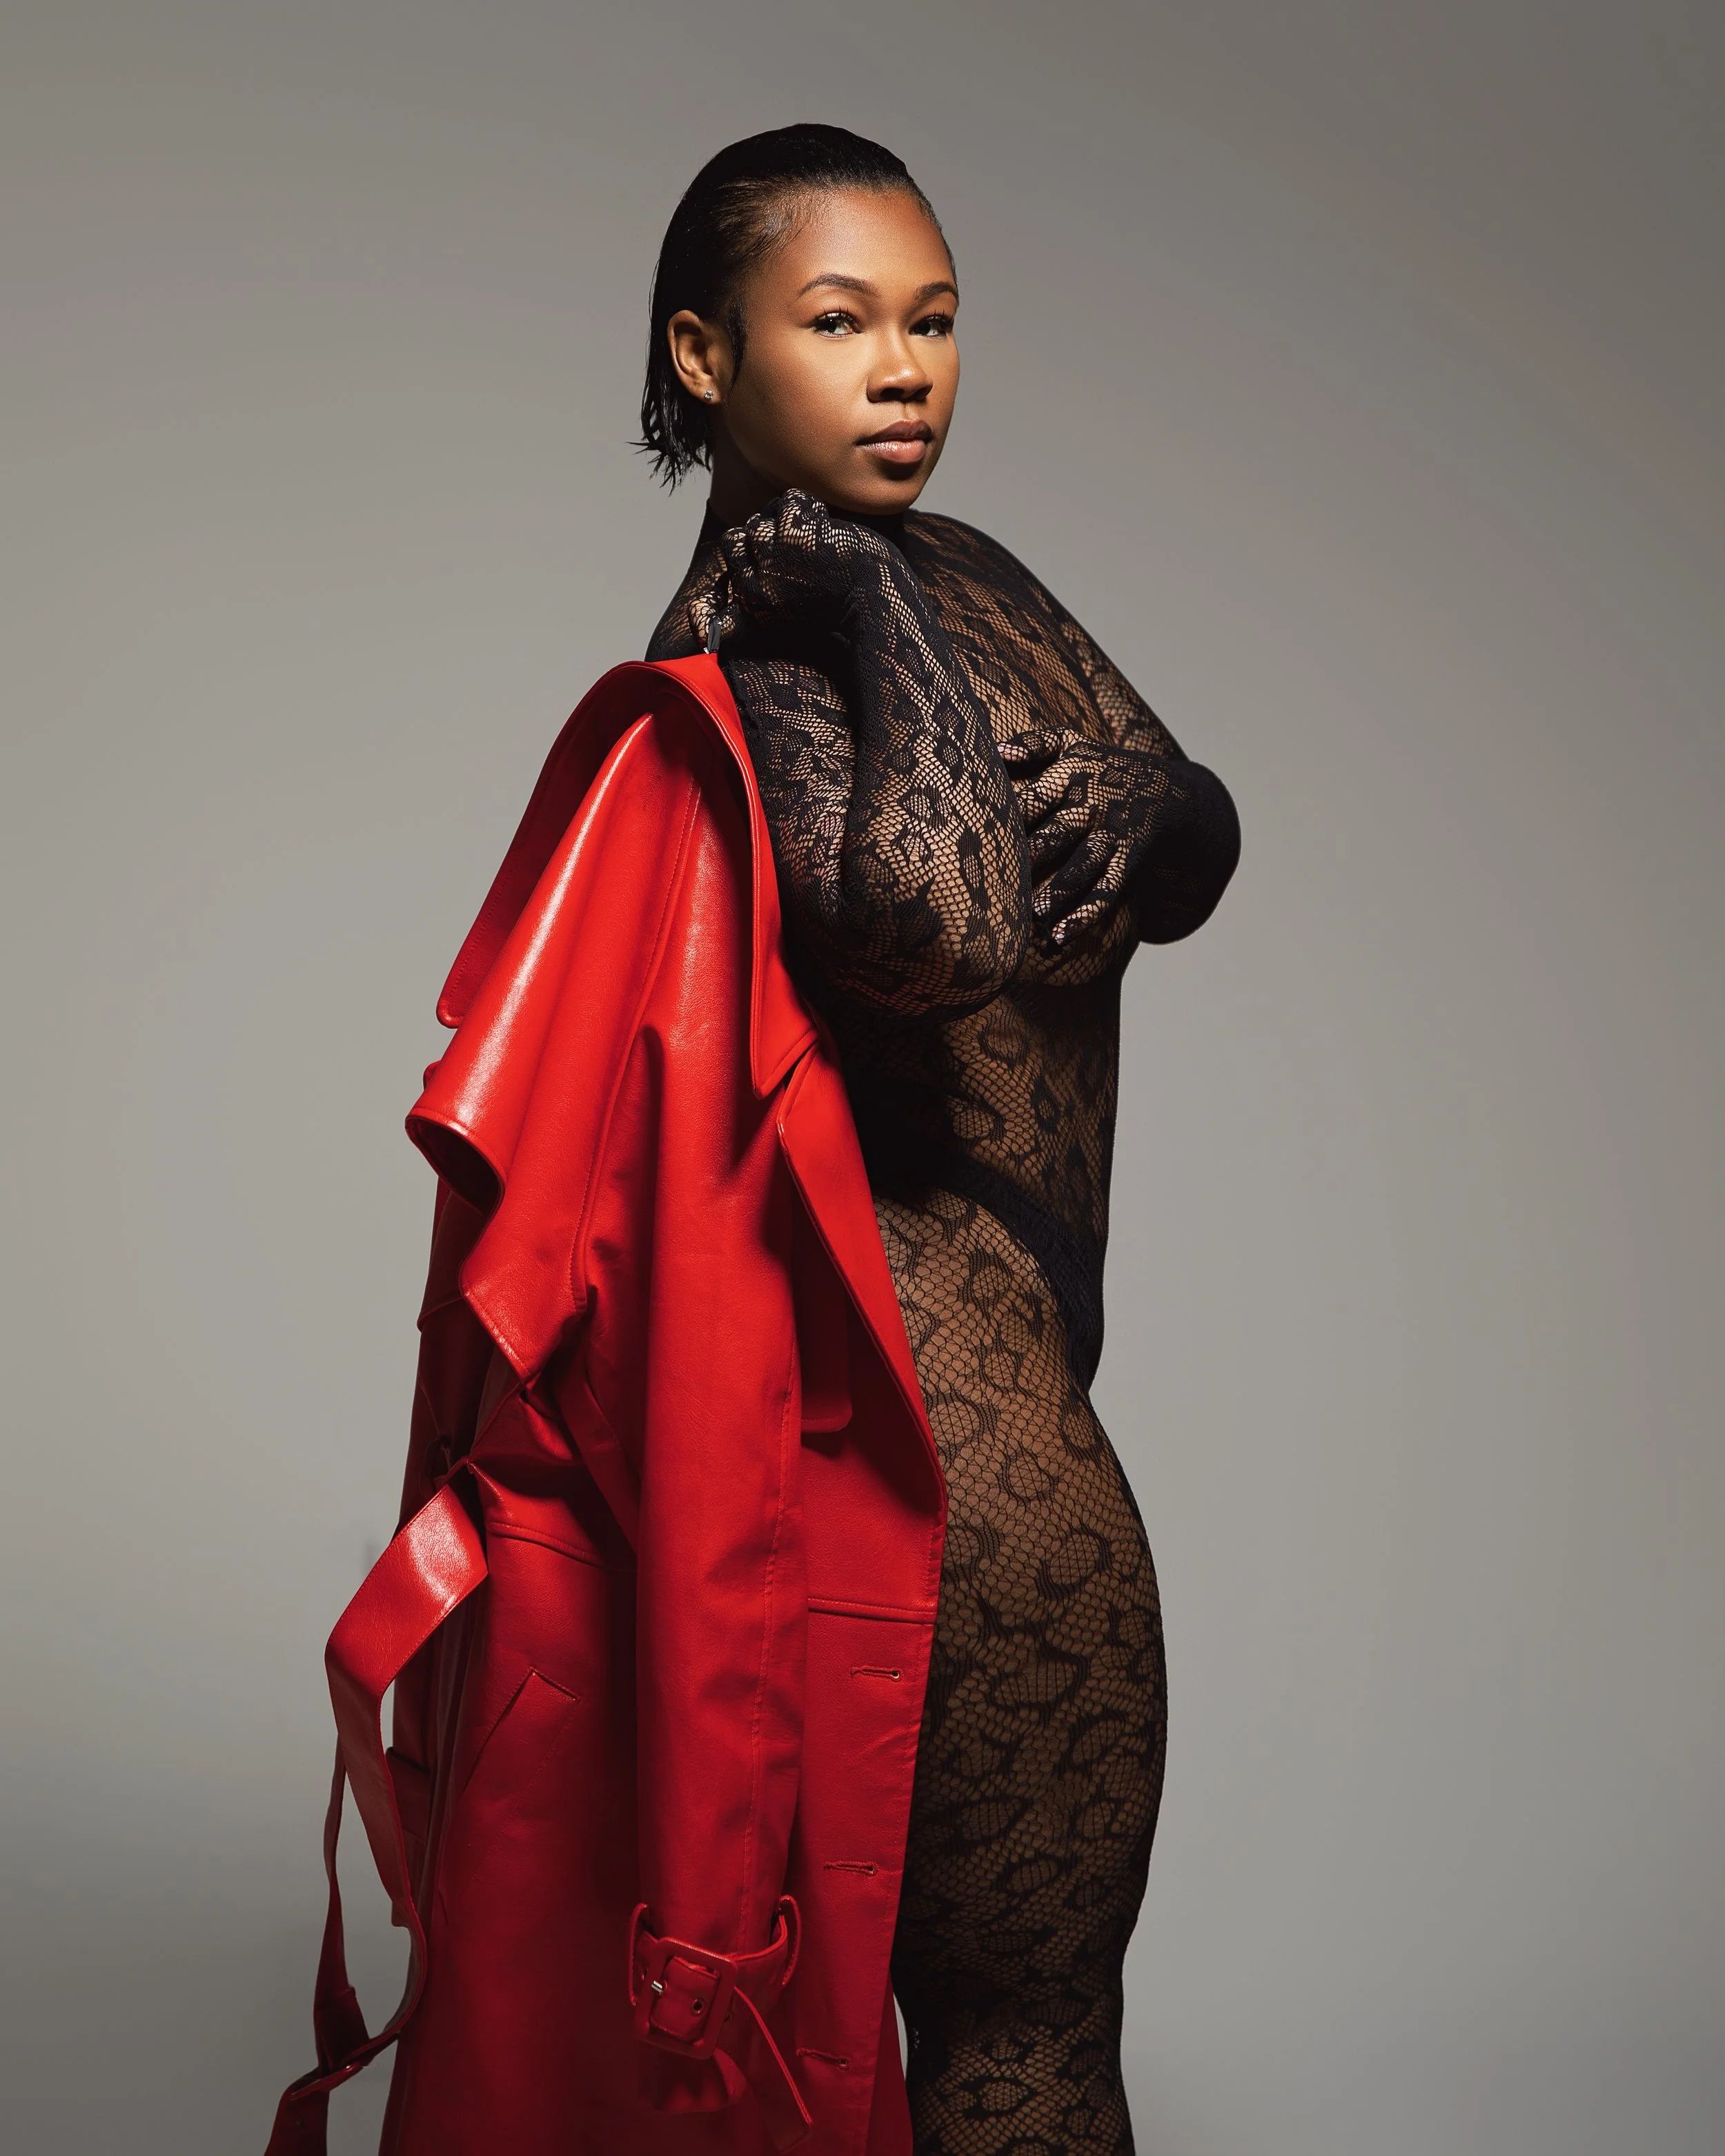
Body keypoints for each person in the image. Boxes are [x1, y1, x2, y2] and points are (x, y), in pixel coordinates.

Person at [642, 126, 1241, 2156]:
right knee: (1019, 2031)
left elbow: (1187, 812)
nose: (904, 370)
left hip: (1004, 1357)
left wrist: (1156, 820)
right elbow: (927, 933)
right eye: (839, 324)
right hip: (927, 1380)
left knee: (987, 2027)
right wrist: (847, 593)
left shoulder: (956, 567)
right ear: (706, 356)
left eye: (934, 320)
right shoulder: (755, 641)